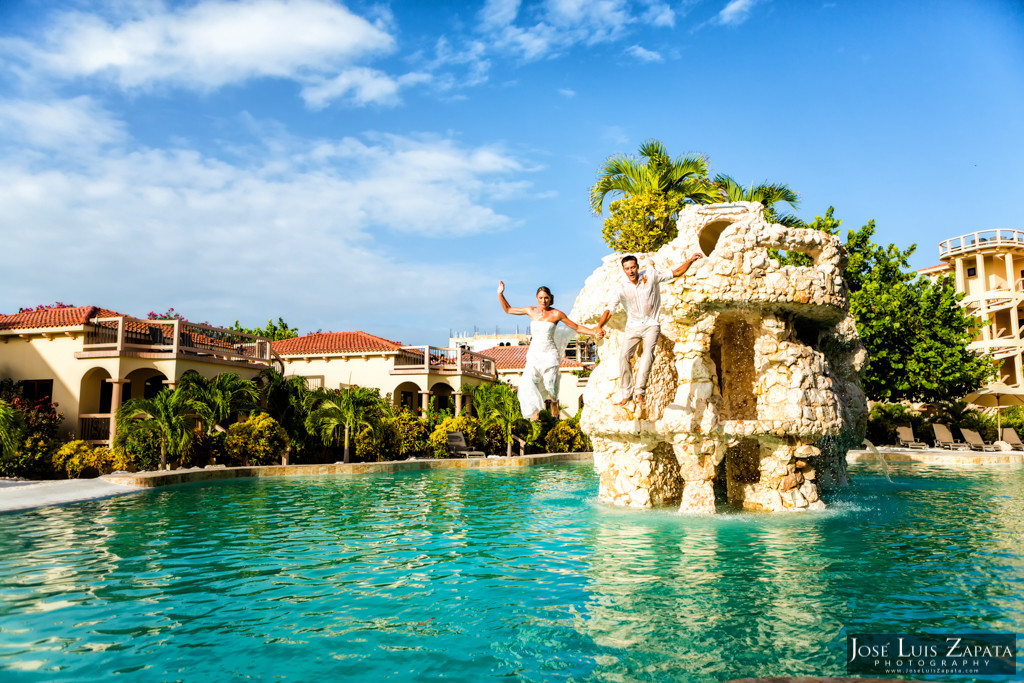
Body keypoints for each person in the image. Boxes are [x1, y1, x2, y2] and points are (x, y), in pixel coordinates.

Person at [595, 253, 703, 406]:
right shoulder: (621, 288)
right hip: (632, 327)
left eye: (633, 267)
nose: (631, 271)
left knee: (648, 354)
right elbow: (609, 310)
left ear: (637, 267)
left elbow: (676, 273)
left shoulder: (651, 276)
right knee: (623, 357)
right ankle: (627, 394)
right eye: (627, 269)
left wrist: (690, 260)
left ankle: (640, 391)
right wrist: (600, 325)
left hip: (651, 325)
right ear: (624, 270)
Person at [497, 282, 600, 421]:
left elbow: (576, 327)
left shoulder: (556, 314)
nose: (543, 301)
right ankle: (534, 410)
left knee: (550, 382)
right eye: (540, 298)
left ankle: (553, 402)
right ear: (536, 298)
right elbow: (508, 309)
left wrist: (594, 332)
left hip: (550, 352)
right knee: (528, 382)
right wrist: (500, 294)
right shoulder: (531, 311)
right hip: (534, 353)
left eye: (546, 298)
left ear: (550, 298)